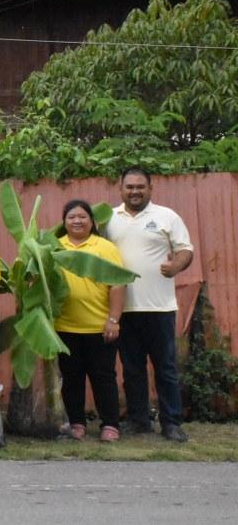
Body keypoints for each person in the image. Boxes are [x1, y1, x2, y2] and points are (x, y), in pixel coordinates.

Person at [105, 167, 194, 443]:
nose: (135, 191)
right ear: (120, 188)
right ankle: (138, 420)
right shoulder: (108, 219)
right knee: (132, 369)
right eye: (129, 186)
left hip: (159, 308)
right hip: (123, 309)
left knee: (165, 367)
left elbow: (185, 250)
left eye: (140, 187)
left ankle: (172, 423)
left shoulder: (166, 216)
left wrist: (176, 265)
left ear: (150, 188)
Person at [55, 200, 126, 443]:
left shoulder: (105, 247)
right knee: (71, 378)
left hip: (99, 327)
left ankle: (110, 424)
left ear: (92, 221)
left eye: (82, 217)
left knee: (103, 378)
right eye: (71, 217)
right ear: (64, 221)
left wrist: (113, 319)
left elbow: (117, 284)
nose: (77, 221)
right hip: (64, 326)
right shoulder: (54, 247)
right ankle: (76, 423)